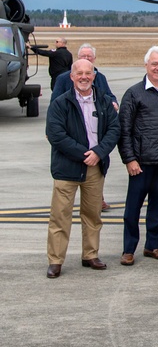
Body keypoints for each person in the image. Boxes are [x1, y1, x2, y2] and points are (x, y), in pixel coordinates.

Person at [44, 59, 120, 278]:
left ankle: (90, 254)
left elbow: (114, 130)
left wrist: (99, 152)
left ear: (94, 76)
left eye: (88, 73)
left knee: (92, 214)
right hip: (67, 168)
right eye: (80, 73)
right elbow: (56, 135)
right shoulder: (60, 103)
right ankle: (56, 260)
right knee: (60, 216)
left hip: (95, 167)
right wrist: (84, 154)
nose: (84, 77)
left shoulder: (104, 102)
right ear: (72, 76)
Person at [117, 46, 158, 266]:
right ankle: (128, 249)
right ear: (146, 65)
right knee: (133, 209)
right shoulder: (134, 93)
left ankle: (152, 245)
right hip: (141, 163)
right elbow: (124, 130)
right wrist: (129, 159)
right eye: (154, 64)